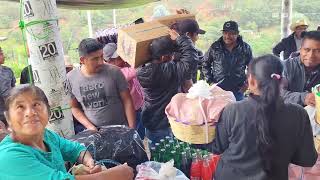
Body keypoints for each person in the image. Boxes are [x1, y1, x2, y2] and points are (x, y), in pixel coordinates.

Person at [211, 54, 317, 180]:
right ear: (282, 81)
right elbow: (308, 160)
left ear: (251, 81)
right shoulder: (299, 114)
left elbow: (217, 148)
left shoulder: (233, 110)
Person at [0, 84, 134, 180]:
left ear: (49, 111)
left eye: (36, 104)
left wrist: (89, 163)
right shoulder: (9, 156)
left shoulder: (46, 135)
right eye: (20, 107)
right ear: (8, 118)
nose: (30, 113)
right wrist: (115, 175)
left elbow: (75, 149)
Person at [137, 29, 198, 145]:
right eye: (171, 55)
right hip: (164, 122)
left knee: (160, 158)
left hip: (152, 121)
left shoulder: (142, 71)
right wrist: (182, 39)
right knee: (169, 157)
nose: (173, 57)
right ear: (164, 57)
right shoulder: (166, 71)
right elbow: (191, 61)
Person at [67, 38, 136, 131]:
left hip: (121, 129)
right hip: (96, 134)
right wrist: (90, 127)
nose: (100, 62)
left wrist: (131, 129)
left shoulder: (114, 72)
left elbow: (127, 100)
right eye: (95, 59)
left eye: (101, 56)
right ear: (82, 60)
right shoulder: (71, 78)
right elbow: (74, 107)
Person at [202, 20, 253, 101]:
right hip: (218, 90)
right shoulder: (215, 47)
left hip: (238, 91)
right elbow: (205, 64)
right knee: (219, 112)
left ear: (237, 33)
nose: (227, 36)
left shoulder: (245, 48)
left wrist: (246, 85)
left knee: (237, 113)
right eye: (225, 33)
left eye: (231, 33)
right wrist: (210, 82)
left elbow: (252, 67)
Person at [103, 43, 145, 139]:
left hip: (137, 107)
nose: (122, 58)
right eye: (119, 57)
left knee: (140, 134)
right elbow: (135, 70)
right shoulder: (114, 72)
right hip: (129, 111)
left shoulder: (123, 66)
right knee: (134, 136)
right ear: (110, 61)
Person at [281, 31, 320, 106]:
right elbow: (277, 93)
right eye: (307, 50)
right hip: (288, 115)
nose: (311, 55)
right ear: (300, 49)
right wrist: (303, 98)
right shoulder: (285, 66)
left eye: (318, 51)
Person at [172, 18, 206, 83]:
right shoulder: (175, 57)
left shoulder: (196, 53)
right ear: (188, 35)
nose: (197, 38)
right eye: (197, 34)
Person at [0, 47, 16, 127]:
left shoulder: (8, 71)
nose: (4, 56)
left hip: (9, 113)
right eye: (1, 54)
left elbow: (14, 90)